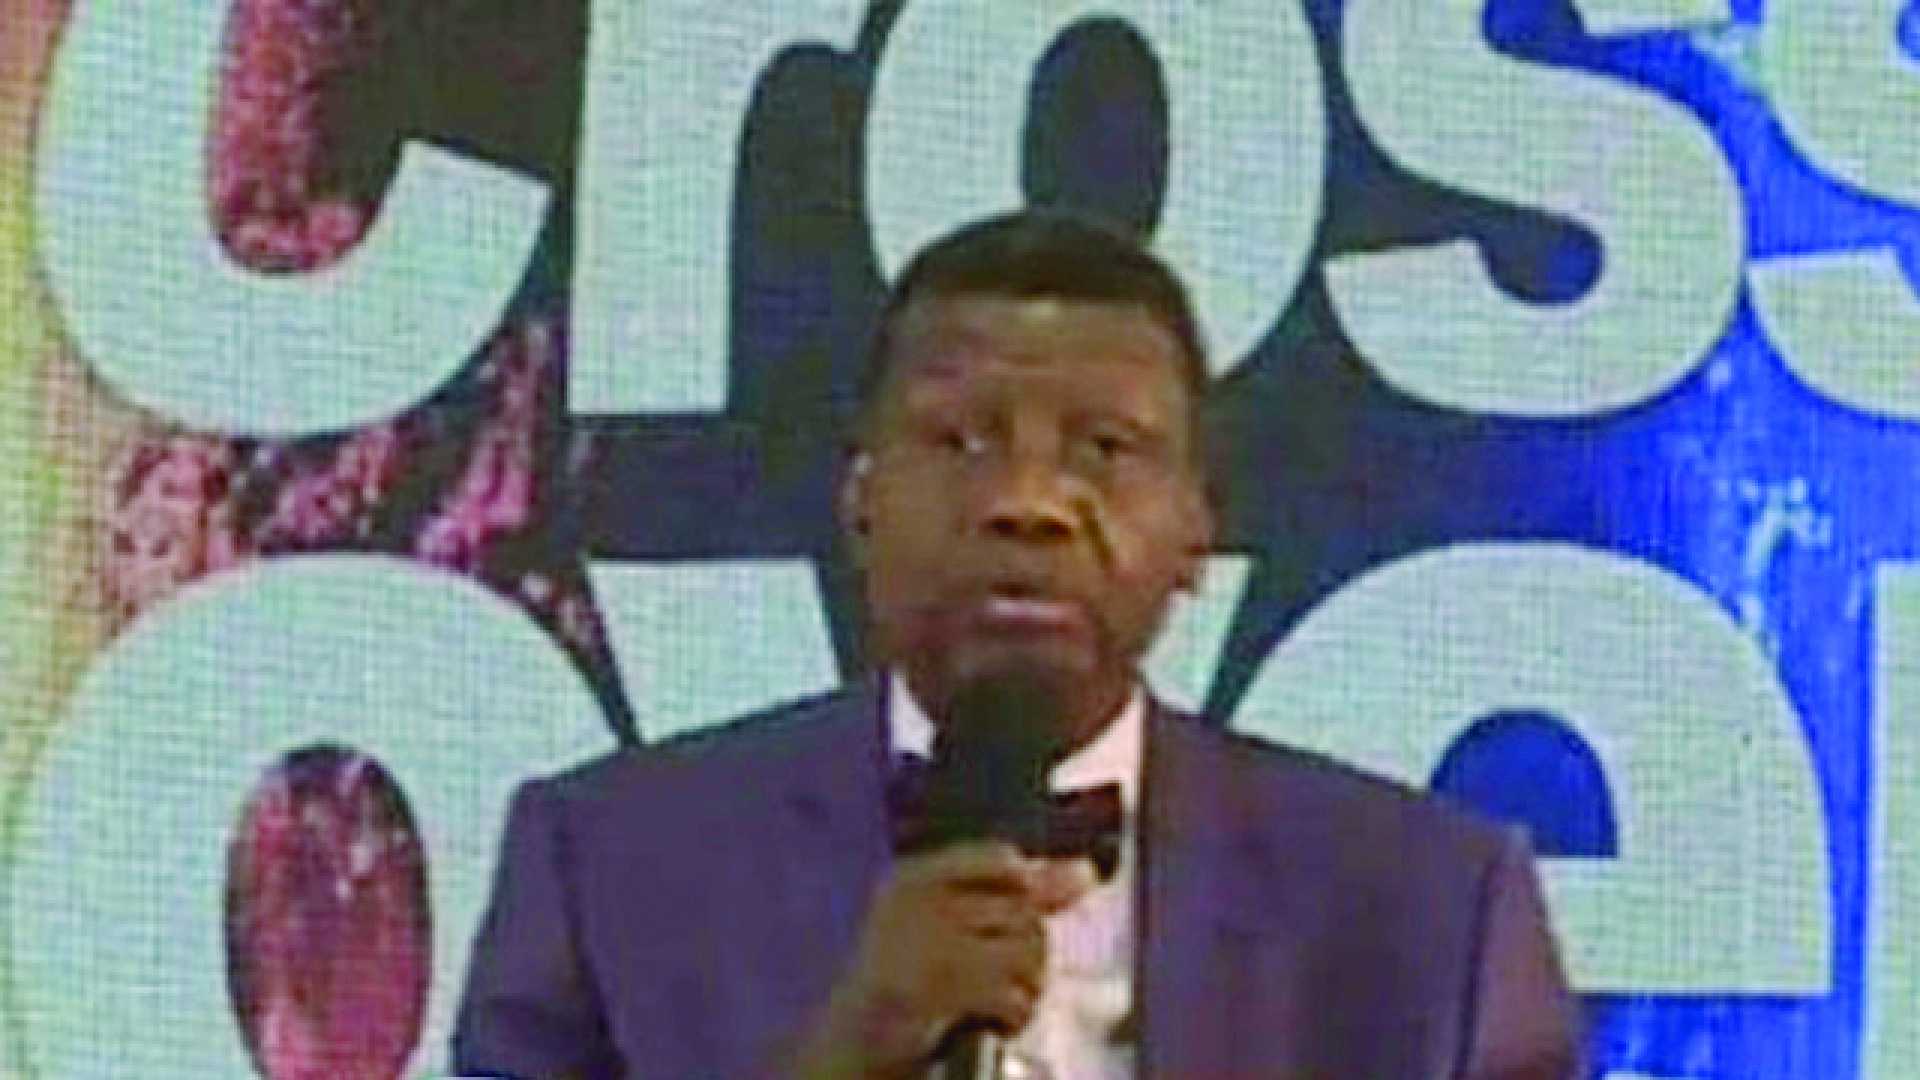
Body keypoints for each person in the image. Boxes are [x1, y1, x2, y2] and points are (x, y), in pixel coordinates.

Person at [451, 211, 1584, 1077]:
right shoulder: (610, 862)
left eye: (1105, 447)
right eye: (960, 440)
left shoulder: (1431, 905)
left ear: (1197, 528)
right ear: (859, 502)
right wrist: (850, 1051)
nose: (1026, 502)